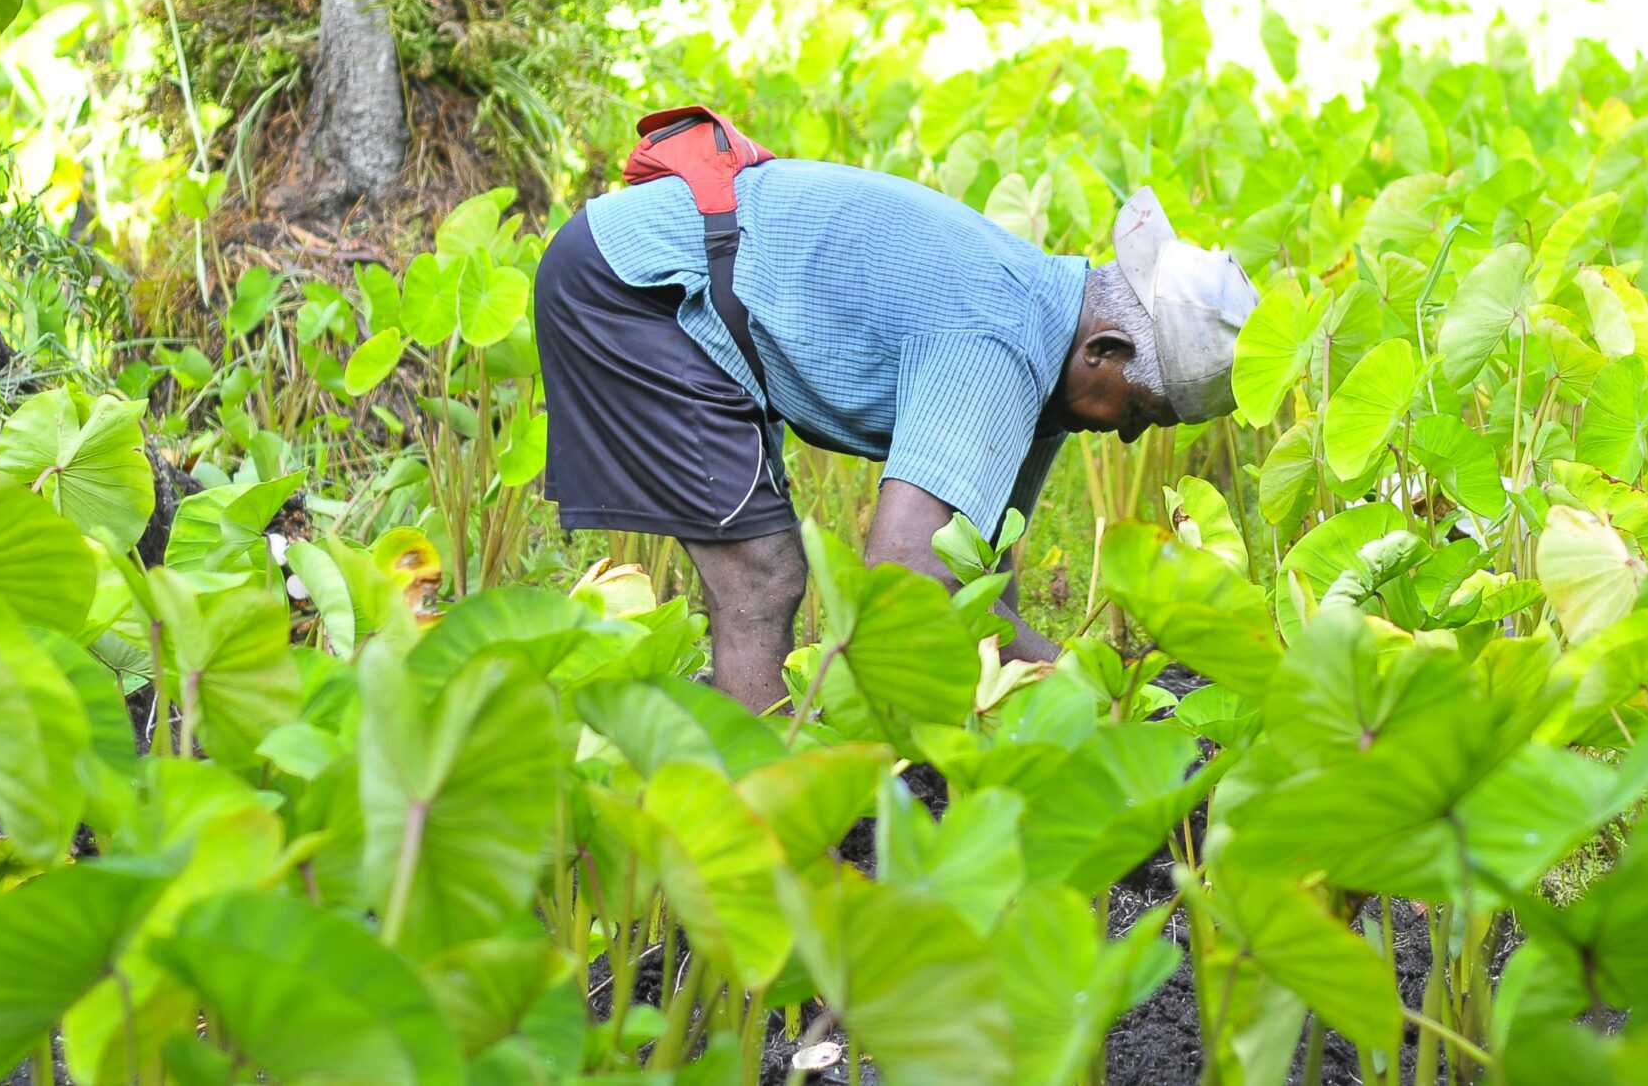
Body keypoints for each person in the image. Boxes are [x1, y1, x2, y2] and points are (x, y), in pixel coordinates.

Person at [532, 145, 1257, 713]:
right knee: (763, 578)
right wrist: (1084, 682)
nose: (1128, 439)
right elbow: (907, 573)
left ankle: (745, 764)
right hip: (638, 287)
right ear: (1106, 352)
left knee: (767, 576)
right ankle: (770, 834)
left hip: (689, 284)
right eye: (1139, 413)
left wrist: (1070, 693)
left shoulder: (1051, 349)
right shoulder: (1001, 336)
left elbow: (975, 577)